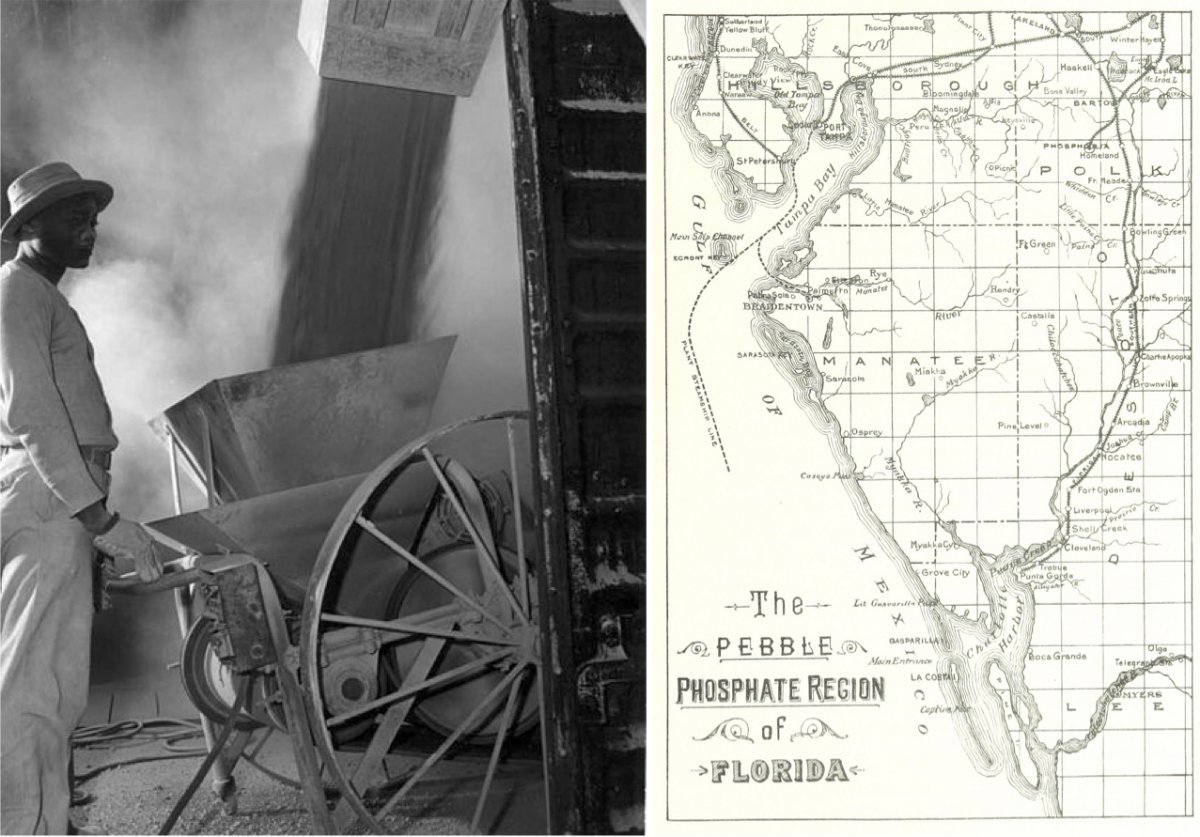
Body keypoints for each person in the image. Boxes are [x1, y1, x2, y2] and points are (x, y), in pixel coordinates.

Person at [1, 161, 163, 834]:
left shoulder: (41, 296)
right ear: (29, 225)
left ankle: (41, 820)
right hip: (50, 500)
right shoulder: (16, 291)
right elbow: (33, 415)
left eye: (92, 218)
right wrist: (97, 516)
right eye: (72, 217)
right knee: (34, 689)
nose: (89, 229)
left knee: (50, 685)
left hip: (55, 497)